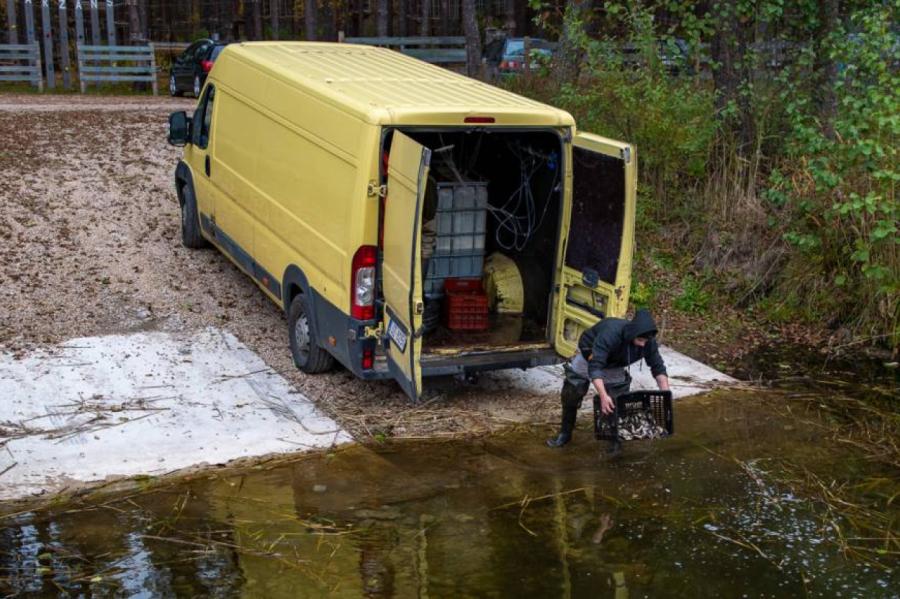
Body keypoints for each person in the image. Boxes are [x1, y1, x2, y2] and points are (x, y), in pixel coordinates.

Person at [547, 309, 670, 447]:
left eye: (645, 341)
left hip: (615, 364)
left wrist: (665, 394)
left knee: (617, 402)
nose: (643, 344)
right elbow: (595, 367)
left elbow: (658, 367)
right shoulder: (610, 334)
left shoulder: (648, 342)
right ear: (632, 334)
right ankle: (565, 434)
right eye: (640, 340)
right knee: (572, 392)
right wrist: (603, 395)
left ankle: (614, 442)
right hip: (589, 357)